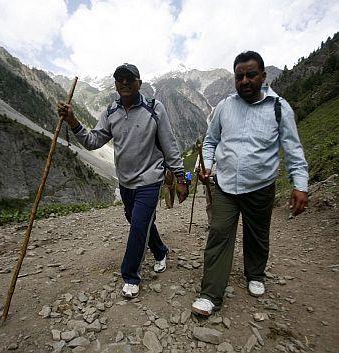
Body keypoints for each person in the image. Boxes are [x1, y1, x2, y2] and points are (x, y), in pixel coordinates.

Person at [191, 51, 309, 317]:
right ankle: (210, 294)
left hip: (260, 186)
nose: (244, 80)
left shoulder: (279, 108)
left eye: (251, 74)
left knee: (257, 234)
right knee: (219, 232)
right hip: (224, 186)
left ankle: (255, 274)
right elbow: (211, 141)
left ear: (263, 76)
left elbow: (292, 149)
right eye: (239, 76)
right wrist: (207, 166)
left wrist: (300, 184)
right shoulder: (224, 106)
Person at [58, 63, 188, 298]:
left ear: (139, 82)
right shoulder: (110, 112)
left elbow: (169, 145)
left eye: (130, 79)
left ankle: (130, 276)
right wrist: (72, 121)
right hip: (126, 181)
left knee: (138, 225)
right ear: (116, 84)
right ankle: (160, 251)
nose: (125, 83)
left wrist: (180, 176)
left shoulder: (153, 108)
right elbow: (93, 141)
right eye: (120, 79)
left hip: (150, 179)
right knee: (137, 220)